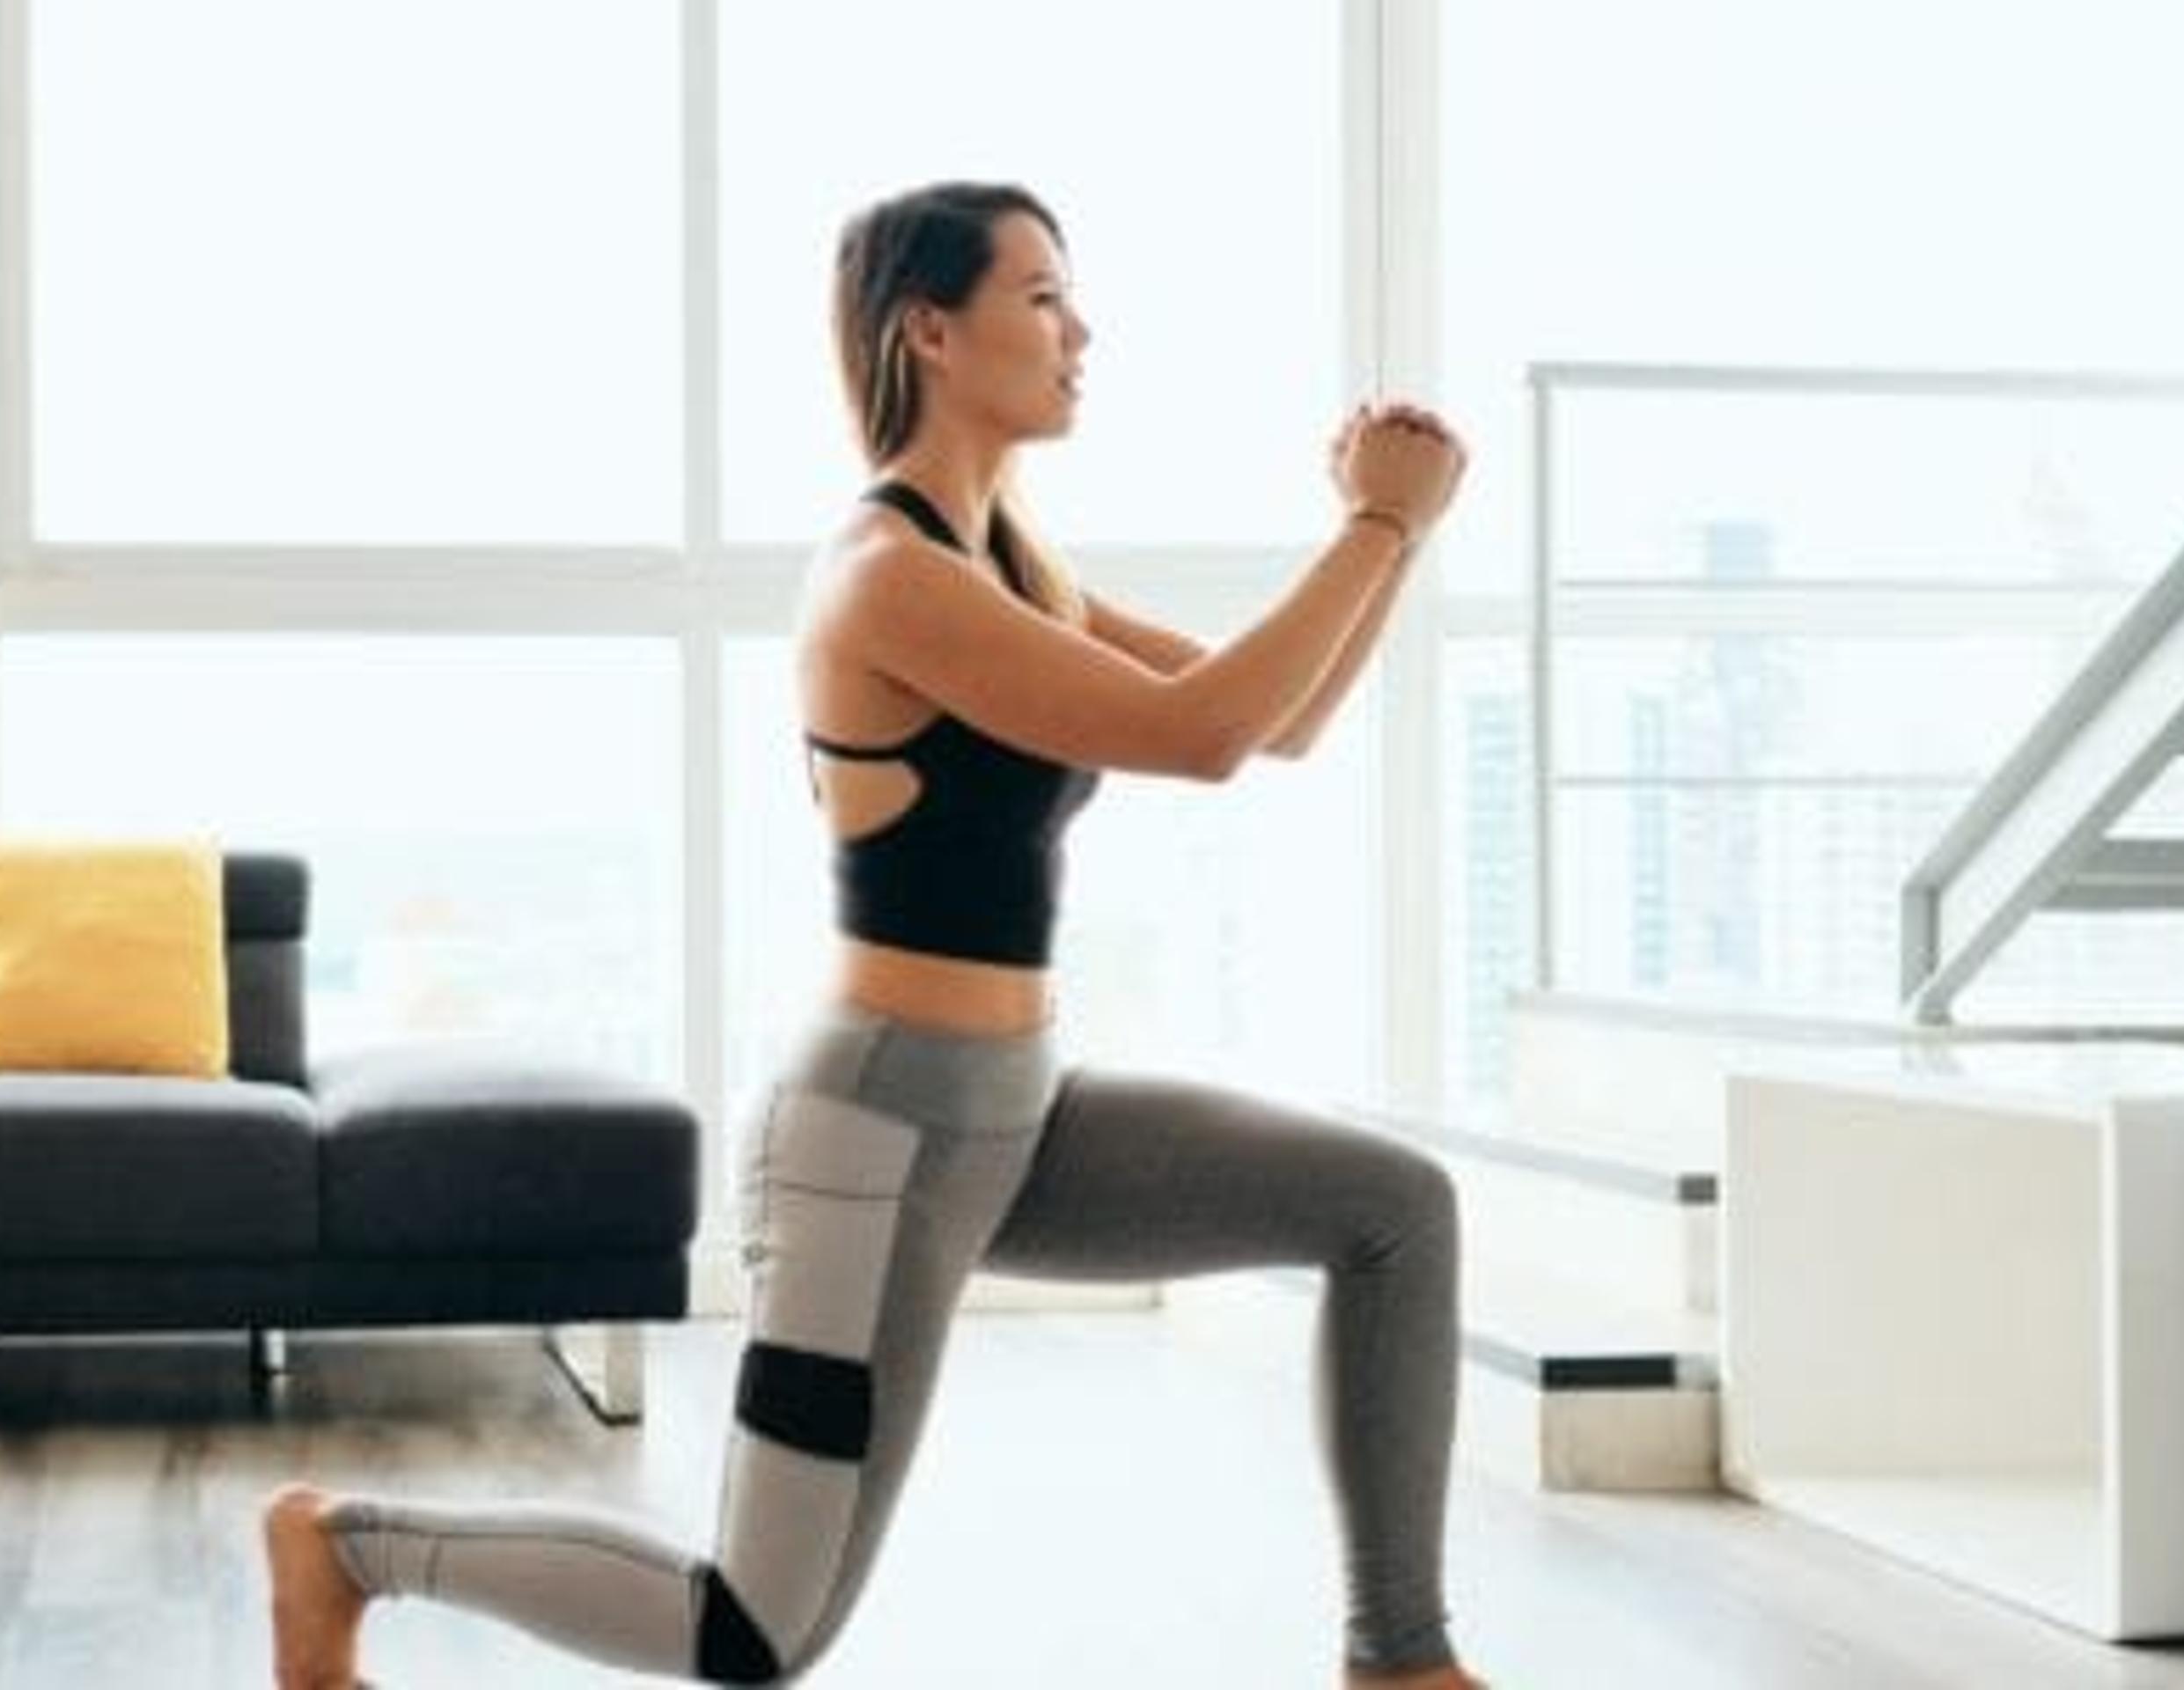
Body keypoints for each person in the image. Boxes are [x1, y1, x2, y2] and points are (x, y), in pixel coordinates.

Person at [262, 180, 1480, 1689]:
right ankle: (347, 1548)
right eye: (1042, 296)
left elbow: (1277, 722)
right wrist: (1376, 519)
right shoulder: (888, 577)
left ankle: (1401, 1662)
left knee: (1394, 1211)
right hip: (878, 1139)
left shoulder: (1009, 562)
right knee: (755, 1628)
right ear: (931, 329)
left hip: (1017, 1114)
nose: (1080, 329)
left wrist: (1394, 536)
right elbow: (1206, 734)